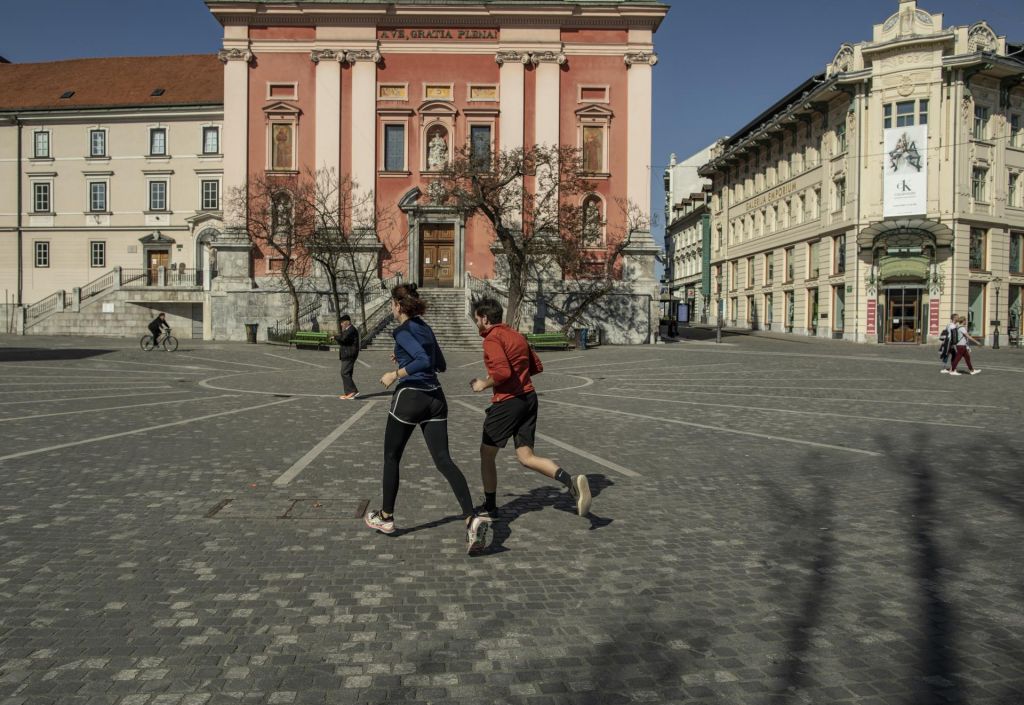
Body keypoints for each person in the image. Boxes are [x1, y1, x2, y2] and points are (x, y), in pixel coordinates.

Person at [364, 283, 491, 553]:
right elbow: (439, 364)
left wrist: (395, 374)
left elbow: (422, 359)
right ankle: (471, 518)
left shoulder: (403, 330)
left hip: (410, 398)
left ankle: (386, 517)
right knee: (444, 460)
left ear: (398, 306)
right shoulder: (425, 327)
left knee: (391, 456)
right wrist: (403, 356)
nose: (391, 307)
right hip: (436, 399)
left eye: (392, 304)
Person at [469, 297, 591, 518]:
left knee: (486, 454)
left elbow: (503, 373)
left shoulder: (492, 339)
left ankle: (490, 506)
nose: (476, 323)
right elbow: (537, 366)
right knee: (526, 457)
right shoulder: (516, 335)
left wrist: (484, 383)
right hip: (529, 398)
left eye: (477, 319)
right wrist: (514, 375)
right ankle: (570, 481)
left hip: (508, 403)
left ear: (485, 319)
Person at [335, 314, 360, 400]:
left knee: (344, 373)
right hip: (348, 354)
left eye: (342, 323)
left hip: (349, 354)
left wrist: (335, 337)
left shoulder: (351, 330)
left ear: (347, 322)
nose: (341, 324)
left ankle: (352, 391)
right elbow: (343, 339)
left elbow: (343, 339)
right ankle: (349, 393)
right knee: (347, 373)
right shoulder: (348, 330)